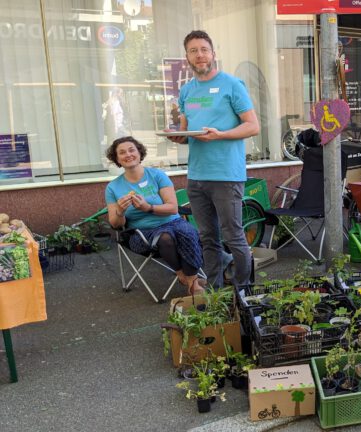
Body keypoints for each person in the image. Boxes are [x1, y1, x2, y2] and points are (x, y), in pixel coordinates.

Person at [167, 30, 260, 289]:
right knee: (207, 238)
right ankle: (217, 292)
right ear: (187, 56)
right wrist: (178, 137)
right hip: (196, 176)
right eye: (193, 51)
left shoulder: (232, 85)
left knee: (233, 236)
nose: (199, 55)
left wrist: (221, 135)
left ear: (213, 53)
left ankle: (244, 291)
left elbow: (253, 126)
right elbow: (187, 131)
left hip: (225, 175)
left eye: (204, 49)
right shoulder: (186, 91)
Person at [104, 136, 206, 295]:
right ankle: (182, 275)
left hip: (173, 222)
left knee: (187, 233)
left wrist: (148, 207)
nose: (128, 155)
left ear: (139, 153)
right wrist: (120, 211)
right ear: (117, 159)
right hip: (141, 232)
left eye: (132, 150)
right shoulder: (113, 187)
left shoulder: (157, 175)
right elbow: (115, 224)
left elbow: (173, 208)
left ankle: (192, 281)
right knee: (165, 237)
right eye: (122, 152)